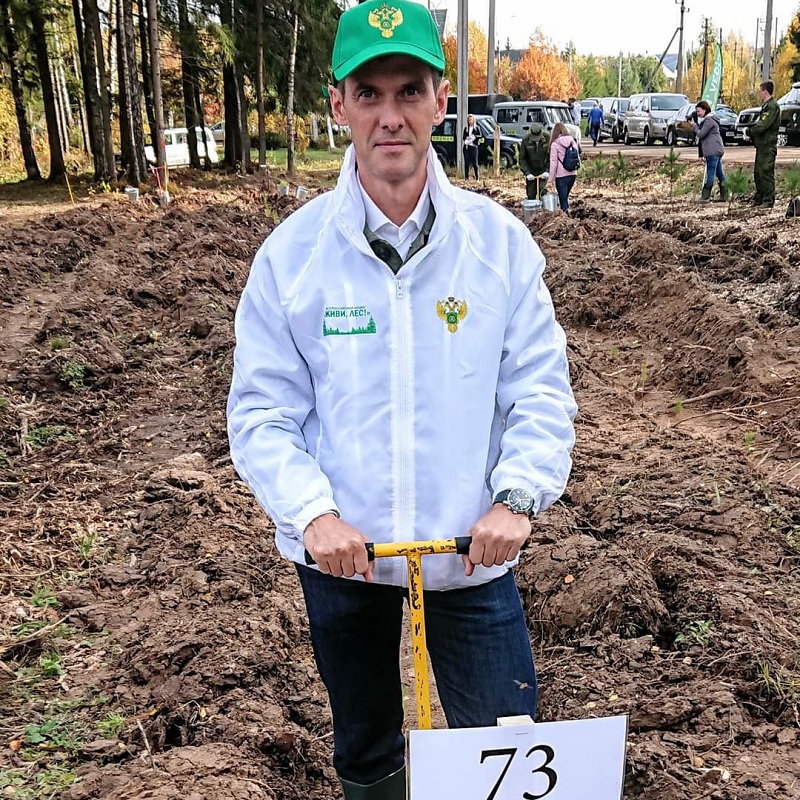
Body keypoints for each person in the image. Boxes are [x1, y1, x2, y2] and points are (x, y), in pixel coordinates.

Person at [226, 1, 577, 797]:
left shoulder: (498, 245)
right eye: (370, 94)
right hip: (344, 560)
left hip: (470, 557)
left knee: (505, 733)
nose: (391, 116)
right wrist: (314, 516)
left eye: (410, 91)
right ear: (338, 105)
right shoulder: (292, 258)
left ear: (441, 101)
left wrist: (516, 498)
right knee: (366, 745)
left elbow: (539, 387)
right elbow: (262, 412)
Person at [747, 80, 781, 208]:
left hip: (768, 145)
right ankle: (760, 198)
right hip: (761, 145)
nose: (759, 94)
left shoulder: (772, 106)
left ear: (765, 91)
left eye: (760, 91)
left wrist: (750, 131)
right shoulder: (766, 106)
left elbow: (763, 125)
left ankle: (768, 199)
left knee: (766, 172)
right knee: (758, 172)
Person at [692, 100, 727, 202]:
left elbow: (701, 134)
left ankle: (705, 196)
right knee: (719, 173)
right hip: (716, 149)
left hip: (712, 151)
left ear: (705, 110)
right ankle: (725, 195)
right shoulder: (710, 120)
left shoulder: (709, 120)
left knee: (710, 173)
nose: (698, 114)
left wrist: (694, 125)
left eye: (699, 111)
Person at [546, 122, 579, 212]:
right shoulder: (572, 141)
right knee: (565, 198)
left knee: (563, 200)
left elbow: (553, 163)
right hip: (573, 174)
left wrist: (550, 180)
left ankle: (565, 216)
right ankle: (567, 214)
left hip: (561, 176)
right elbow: (577, 157)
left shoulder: (555, 144)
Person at [519, 121, 549, 199]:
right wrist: (527, 173)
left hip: (543, 169)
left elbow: (551, 156)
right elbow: (522, 158)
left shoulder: (547, 138)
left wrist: (547, 170)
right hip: (531, 170)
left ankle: (543, 206)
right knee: (531, 193)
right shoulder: (526, 140)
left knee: (542, 192)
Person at [462, 113, 481, 180]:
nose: (470, 121)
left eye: (471, 120)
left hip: (474, 147)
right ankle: (466, 177)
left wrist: (474, 137)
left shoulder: (477, 128)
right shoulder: (466, 128)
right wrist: (467, 137)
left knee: (475, 163)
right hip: (467, 147)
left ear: (474, 120)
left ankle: (477, 177)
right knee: (467, 163)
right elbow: (463, 137)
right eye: (469, 120)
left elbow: (480, 135)